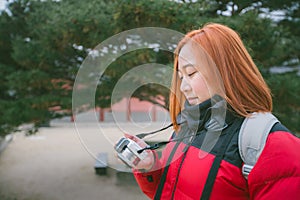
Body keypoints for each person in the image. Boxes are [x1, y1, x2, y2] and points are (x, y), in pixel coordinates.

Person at [124, 23, 300, 199]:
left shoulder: (270, 143)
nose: (183, 87)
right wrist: (149, 167)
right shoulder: (187, 126)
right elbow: (173, 191)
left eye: (191, 73)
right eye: (180, 77)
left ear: (224, 70)